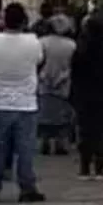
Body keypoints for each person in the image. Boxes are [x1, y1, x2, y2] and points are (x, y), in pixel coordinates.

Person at [0, 3, 46, 203]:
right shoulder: (33, 42)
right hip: (26, 103)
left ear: (3, 20)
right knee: (25, 149)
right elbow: (39, 62)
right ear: (24, 21)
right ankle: (27, 188)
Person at [70, 15, 103, 180]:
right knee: (102, 131)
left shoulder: (80, 50)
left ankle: (84, 167)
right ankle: (100, 167)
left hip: (84, 94)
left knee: (85, 131)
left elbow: (75, 74)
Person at [37, 14, 77, 156]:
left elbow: (38, 63)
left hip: (44, 81)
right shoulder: (71, 45)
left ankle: (45, 141)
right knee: (62, 113)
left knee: (45, 113)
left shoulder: (41, 42)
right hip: (63, 82)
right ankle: (61, 142)